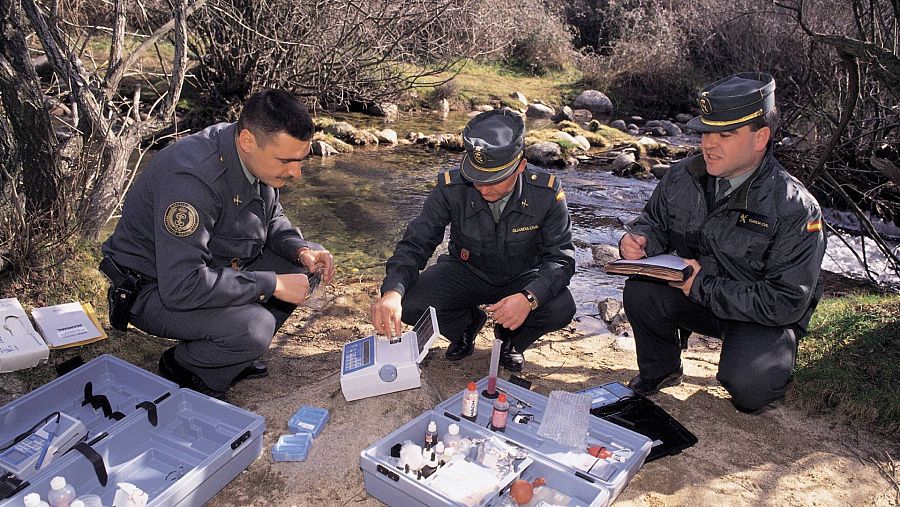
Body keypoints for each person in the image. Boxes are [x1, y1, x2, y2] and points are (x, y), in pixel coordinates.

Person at [100, 89, 335, 399]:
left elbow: (271, 218)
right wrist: (273, 284)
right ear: (248, 141)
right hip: (153, 289)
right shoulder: (191, 179)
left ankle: (231, 355)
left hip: (212, 268)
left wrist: (301, 250)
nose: (296, 173)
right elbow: (181, 285)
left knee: (303, 265)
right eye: (286, 161)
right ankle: (186, 366)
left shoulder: (251, 155)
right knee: (254, 327)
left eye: (300, 160)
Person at [619, 73, 826, 413]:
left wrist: (702, 285)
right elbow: (654, 223)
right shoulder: (682, 175)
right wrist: (641, 240)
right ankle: (662, 369)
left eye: (725, 135)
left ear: (761, 138)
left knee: (750, 389)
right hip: (696, 297)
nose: (708, 145)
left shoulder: (795, 208)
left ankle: (754, 366)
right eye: (705, 133)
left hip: (759, 318)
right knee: (641, 290)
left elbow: (786, 301)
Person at [371, 109, 576, 372]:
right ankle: (466, 325)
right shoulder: (450, 187)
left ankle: (511, 338)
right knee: (409, 302)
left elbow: (561, 259)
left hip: (520, 278)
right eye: (476, 178)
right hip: (466, 272)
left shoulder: (546, 193)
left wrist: (529, 298)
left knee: (561, 307)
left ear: (521, 166)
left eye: (494, 180)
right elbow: (416, 242)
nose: (483, 188)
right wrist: (392, 292)